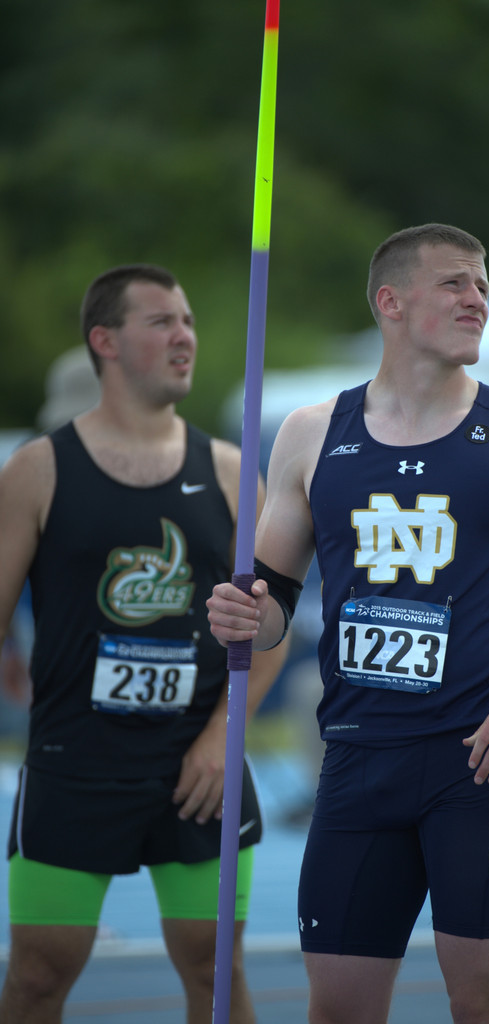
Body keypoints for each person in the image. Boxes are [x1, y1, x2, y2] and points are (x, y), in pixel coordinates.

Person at [207, 223, 489, 1024]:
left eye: (482, 285)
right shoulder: (312, 433)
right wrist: (244, 615)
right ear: (391, 302)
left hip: (478, 763)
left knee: (483, 1006)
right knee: (340, 1011)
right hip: (357, 760)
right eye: (456, 282)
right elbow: (273, 598)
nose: (477, 299)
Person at [0, 263, 288, 1024]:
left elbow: (270, 633)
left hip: (199, 768)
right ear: (105, 341)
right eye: (161, 321)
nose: (184, 336)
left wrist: (223, 736)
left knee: (215, 971)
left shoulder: (233, 473)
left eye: (187, 320)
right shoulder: (36, 472)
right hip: (74, 766)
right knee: (36, 978)